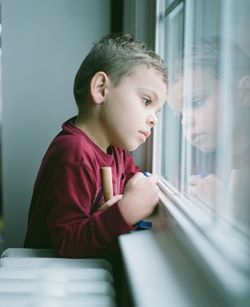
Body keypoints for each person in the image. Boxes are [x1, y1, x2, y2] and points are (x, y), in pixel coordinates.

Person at [24, 33, 168, 258]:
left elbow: (137, 180)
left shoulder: (117, 149)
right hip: (54, 278)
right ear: (101, 88)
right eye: (147, 101)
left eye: (157, 112)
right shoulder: (74, 152)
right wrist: (126, 211)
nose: (154, 119)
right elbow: (67, 243)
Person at [167, 37, 250, 227]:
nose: (187, 121)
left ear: (245, 92)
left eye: (196, 102)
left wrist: (232, 212)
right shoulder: (193, 165)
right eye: (180, 115)